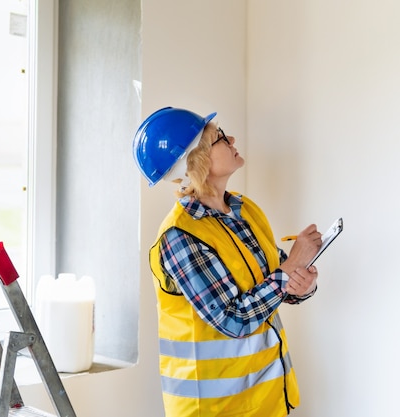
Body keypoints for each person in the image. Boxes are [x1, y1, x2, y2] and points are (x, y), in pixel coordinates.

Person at [132, 107, 323, 417]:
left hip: (266, 398)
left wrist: (303, 284)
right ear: (197, 160)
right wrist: (288, 272)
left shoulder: (244, 210)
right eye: (219, 137)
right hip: (213, 409)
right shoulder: (180, 237)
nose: (232, 138)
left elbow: (276, 282)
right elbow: (233, 319)